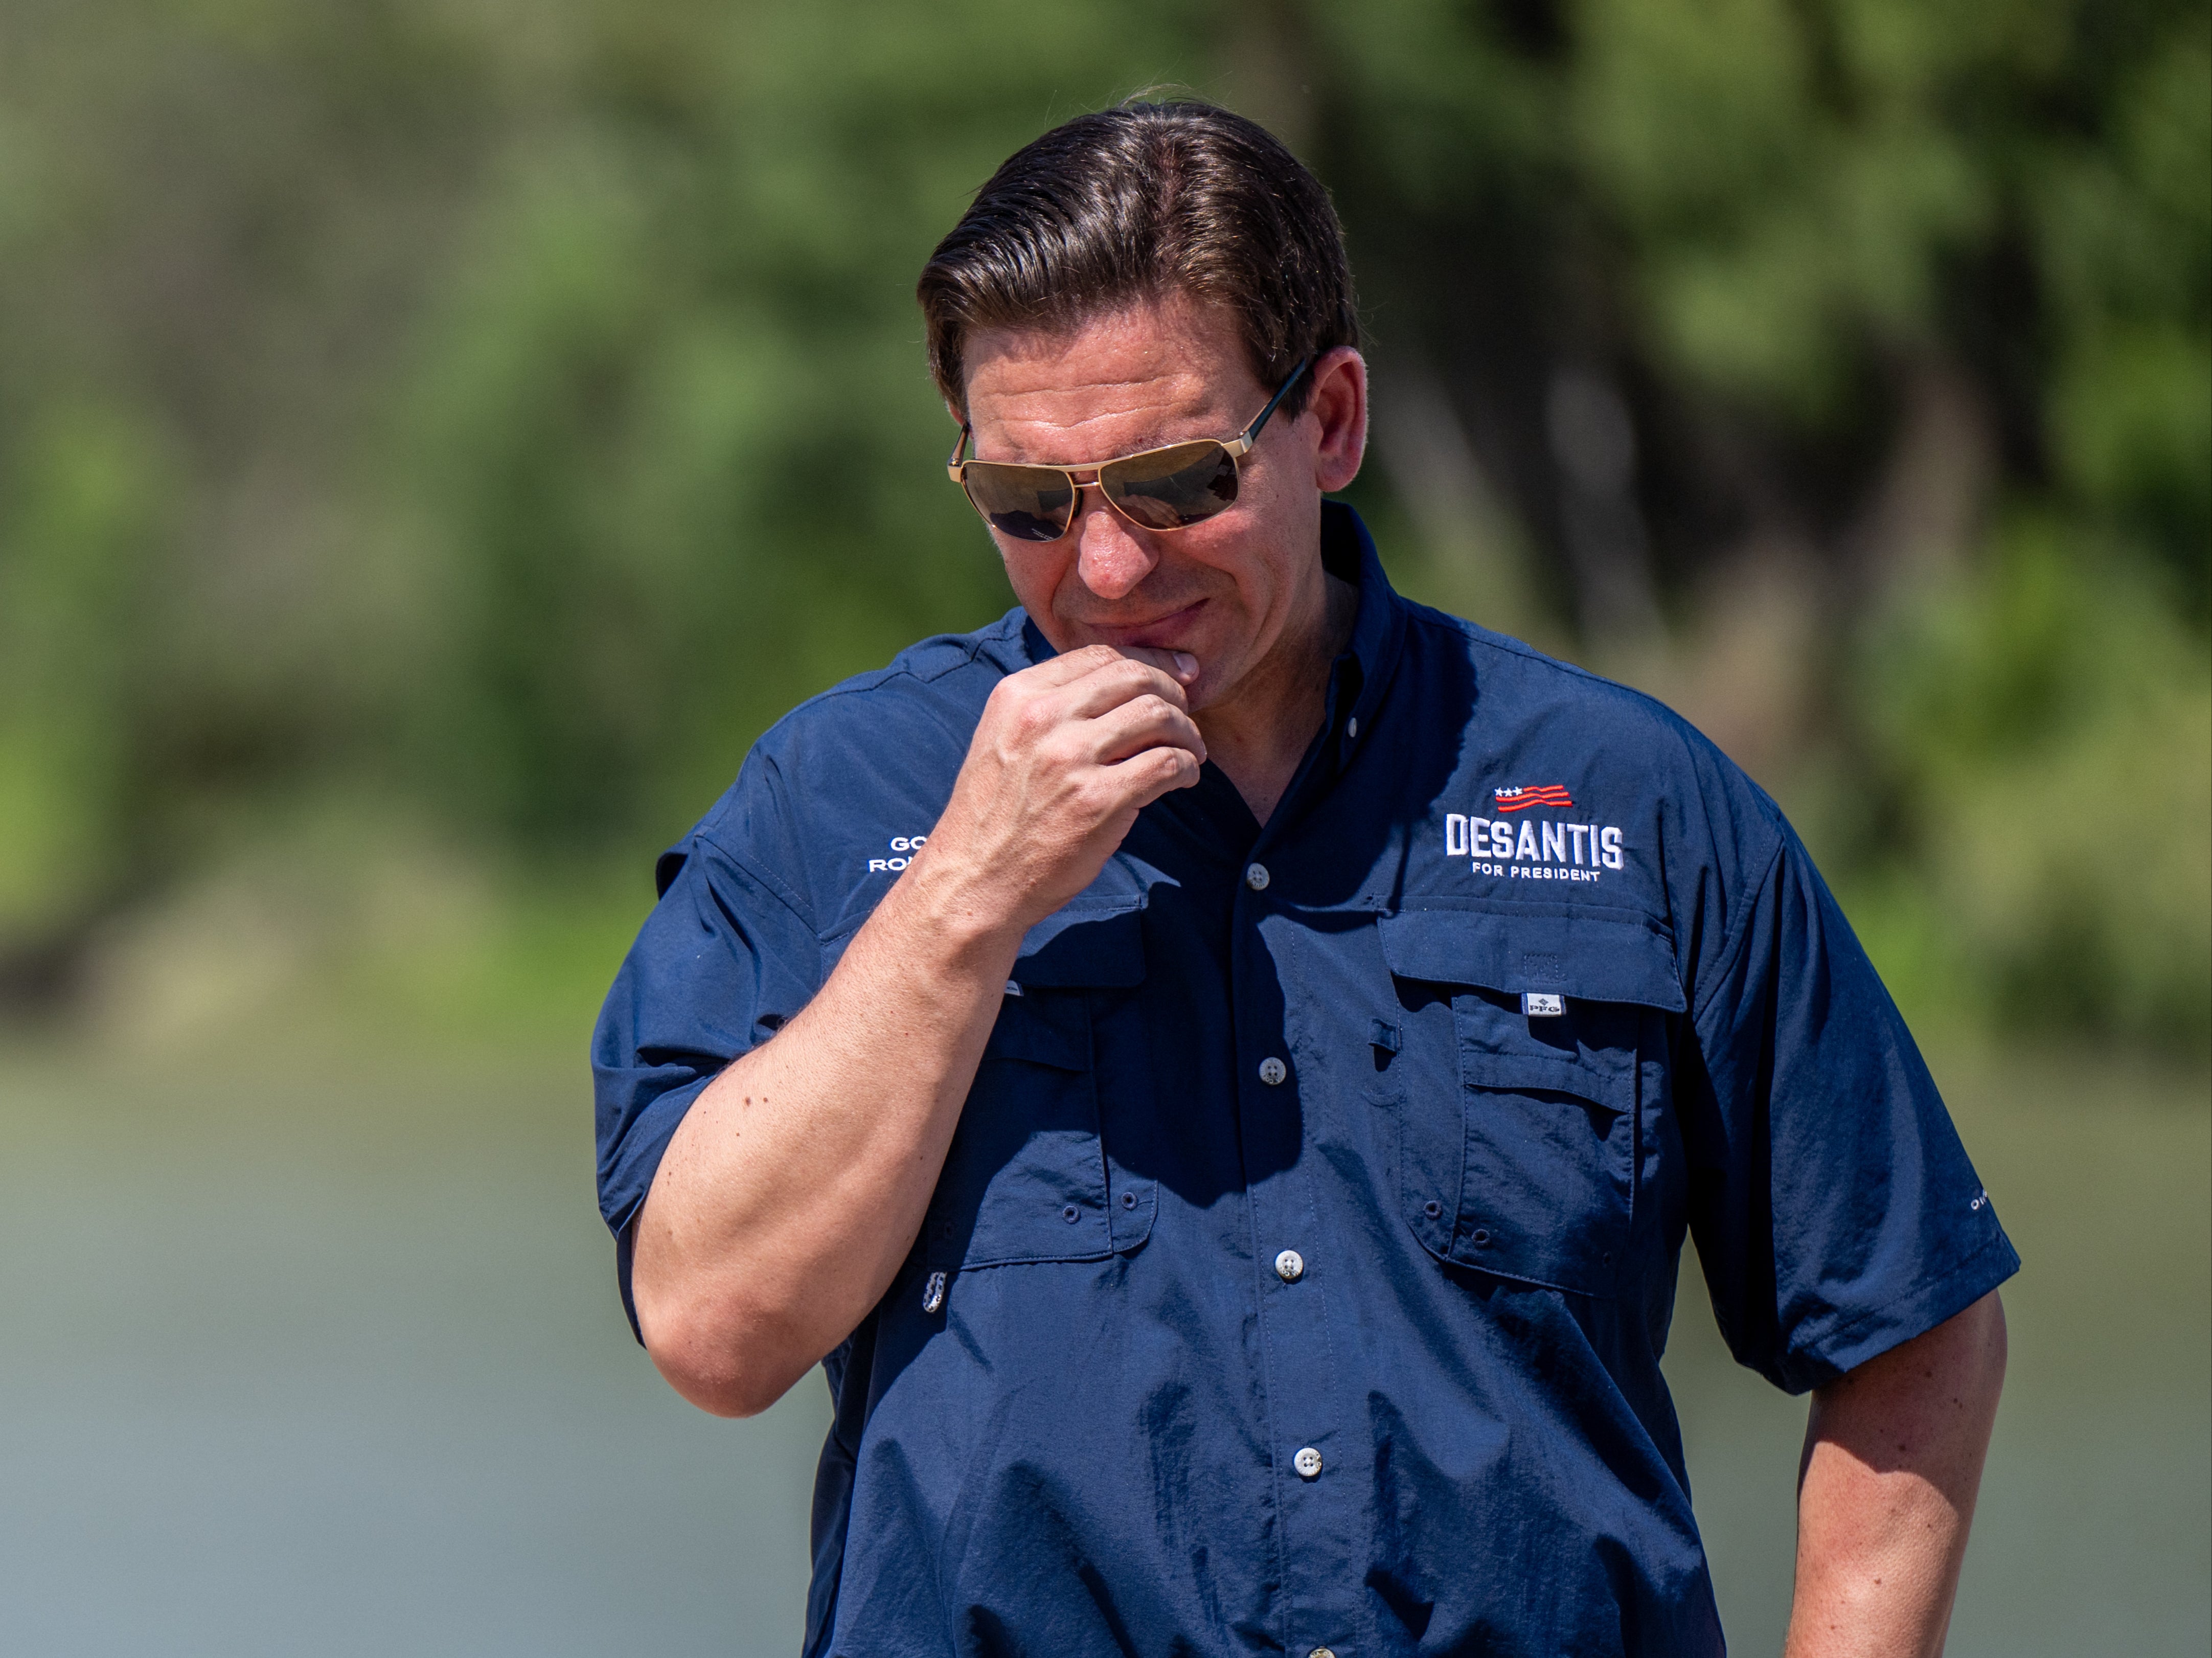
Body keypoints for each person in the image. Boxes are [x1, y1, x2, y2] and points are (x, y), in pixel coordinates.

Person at [593, 100, 2015, 1658]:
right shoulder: (831, 800)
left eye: (1175, 479)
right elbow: (711, 1326)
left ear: (1331, 419)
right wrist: (962, 898)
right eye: (1028, 506)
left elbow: (1915, 1321)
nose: (1111, 569)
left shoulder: (1637, 804)